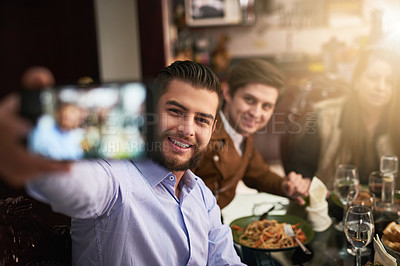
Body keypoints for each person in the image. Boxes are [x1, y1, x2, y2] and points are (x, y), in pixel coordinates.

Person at [1, 61, 245, 265]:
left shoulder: (202, 194)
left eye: (201, 120)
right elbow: (78, 185)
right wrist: (36, 156)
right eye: (175, 111)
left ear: (213, 129)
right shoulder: (113, 175)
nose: (187, 129)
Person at [192, 58, 311, 209]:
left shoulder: (241, 130)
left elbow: (259, 174)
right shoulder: (201, 135)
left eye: (266, 106)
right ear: (228, 93)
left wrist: (286, 186)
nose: (256, 113)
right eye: (249, 99)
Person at [286, 47, 400, 188]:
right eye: (373, 78)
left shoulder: (396, 121)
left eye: (389, 81)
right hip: (334, 204)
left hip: (388, 206)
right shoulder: (325, 115)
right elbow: (302, 167)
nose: (381, 87)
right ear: (357, 81)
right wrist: (302, 184)